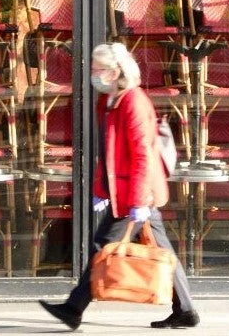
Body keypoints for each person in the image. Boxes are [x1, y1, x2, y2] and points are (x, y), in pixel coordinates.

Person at [39, 42, 200, 330]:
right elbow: (109, 153)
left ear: (115, 72)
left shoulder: (133, 101)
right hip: (126, 192)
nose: (94, 74)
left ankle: (74, 308)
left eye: (99, 69)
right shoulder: (111, 101)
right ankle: (185, 310)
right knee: (161, 250)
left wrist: (138, 201)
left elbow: (141, 155)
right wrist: (102, 192)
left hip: (136, 194)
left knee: (104, 246)